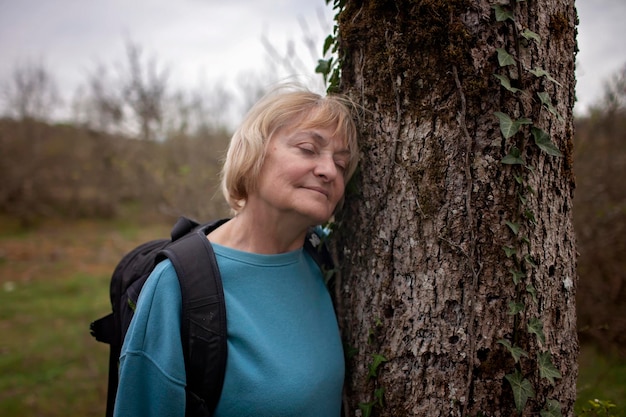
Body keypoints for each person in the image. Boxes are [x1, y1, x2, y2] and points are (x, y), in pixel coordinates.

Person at [113, 85, 359, 417]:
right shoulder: (177, 285)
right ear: (253, 153)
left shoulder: (322, 260)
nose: (329, 171)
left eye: (341, 164)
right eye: (307, 148)